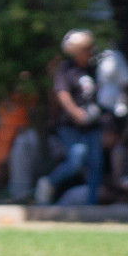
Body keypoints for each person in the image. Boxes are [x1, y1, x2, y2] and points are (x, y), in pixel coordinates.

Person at [39, 29, 104, 206]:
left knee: (95, 164)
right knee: (77, 158)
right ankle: (48, 183)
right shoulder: (66, 68)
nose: (88, 52)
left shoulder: (93, 69)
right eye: (85, 49)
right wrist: (75, 112)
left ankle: (91, 205)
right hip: (69, 124)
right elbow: (62, 93)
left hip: (92, 125)